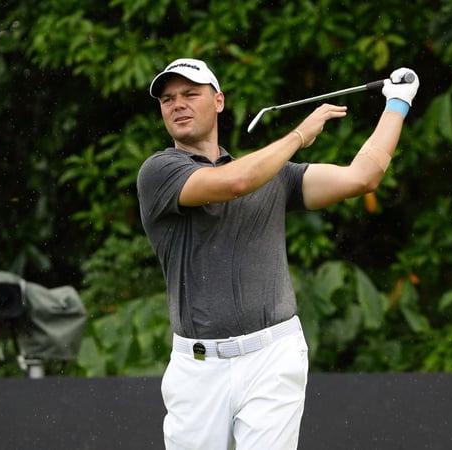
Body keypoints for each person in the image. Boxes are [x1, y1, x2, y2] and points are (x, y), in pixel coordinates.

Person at [136, 58, 419, 450]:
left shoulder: (276, 177)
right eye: (168, 99)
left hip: (273, 356)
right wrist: (299, 136)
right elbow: (235, 181)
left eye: (190, 94)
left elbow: (362, 177)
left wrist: (398, 103)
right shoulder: (159, 171)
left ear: (218, 101)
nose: (177, 104)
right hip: (197, 368)